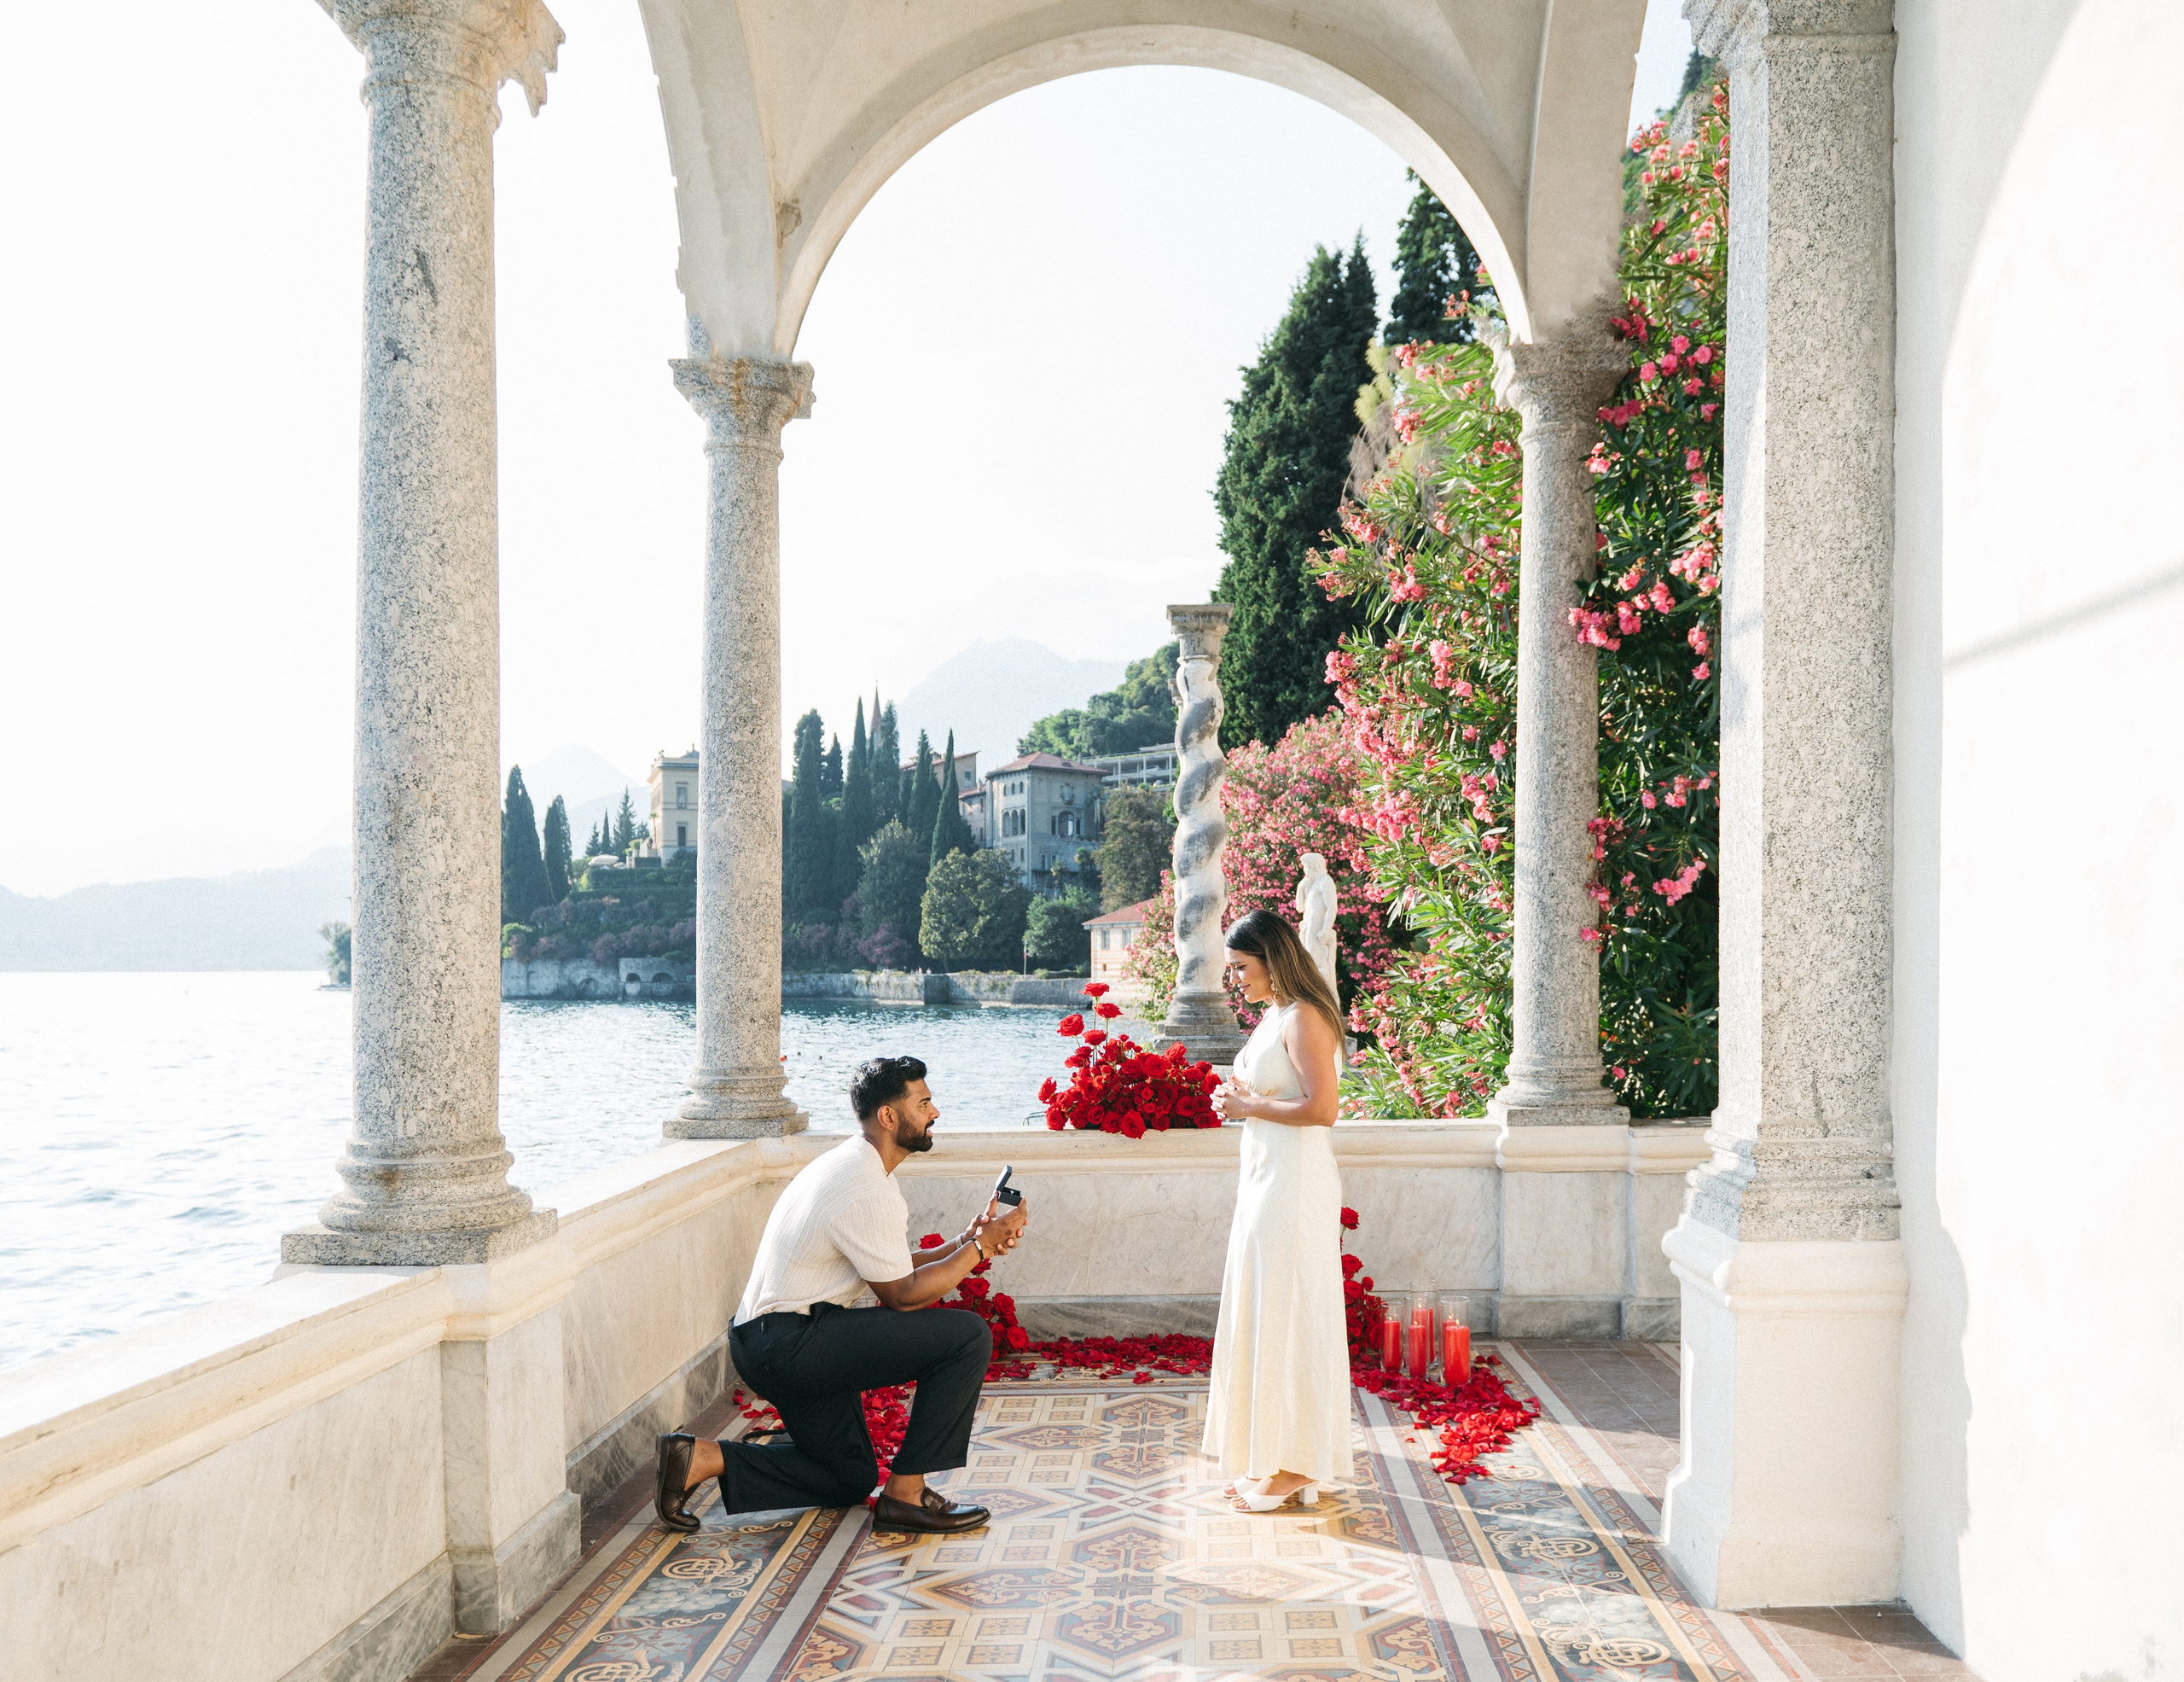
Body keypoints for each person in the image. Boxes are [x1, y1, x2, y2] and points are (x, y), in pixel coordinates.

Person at [654, 1055, 1030, 1535]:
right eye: (924, 1102)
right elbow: (904, 1296)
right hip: (788, 1344)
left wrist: (966, 1242)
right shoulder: (864, 1184)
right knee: (967, 1336)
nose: (935, 1113)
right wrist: (983, 1247)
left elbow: (888, 1268)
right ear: (889, 1117)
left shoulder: (854, 1165)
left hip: (772, 1340)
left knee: (848, 1477)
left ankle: (702, 1457)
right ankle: (906, 1496)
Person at [1203, 908, 1350, 1511]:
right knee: (1267, 1307)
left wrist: (1249, 1108)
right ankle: (1280, 1454)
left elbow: (1322, 1109)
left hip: (1295, 1182)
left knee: (1292, 1310)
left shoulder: (1305, 1016)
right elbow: (1270, 1093)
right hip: (1266, 1178)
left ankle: (1295, 1464)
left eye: (1240, 966)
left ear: (1271, 957)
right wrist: (1235, 1098)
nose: (1235, 978)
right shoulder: (1274, 1017)